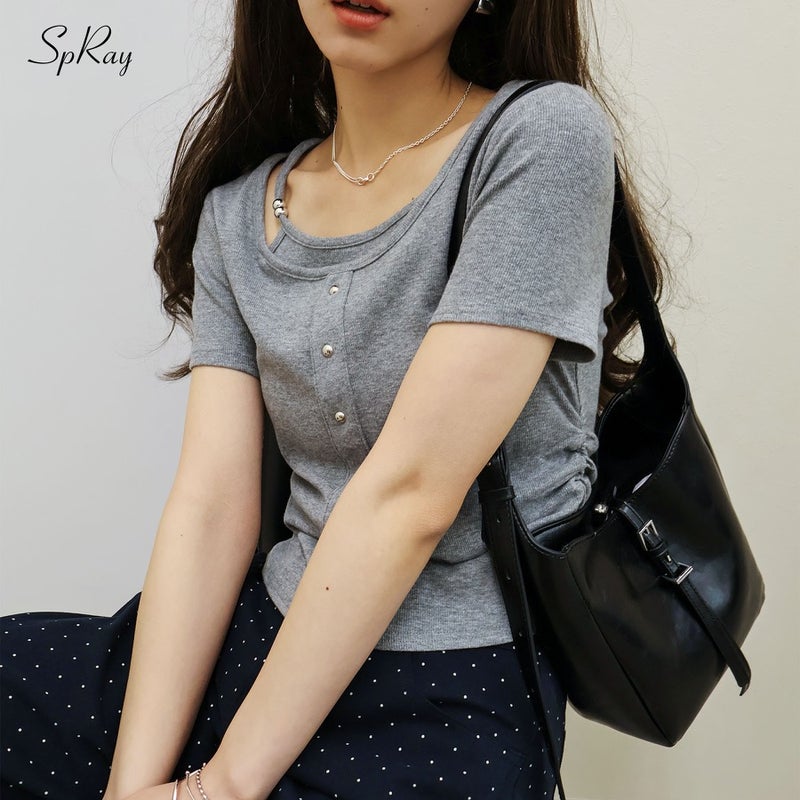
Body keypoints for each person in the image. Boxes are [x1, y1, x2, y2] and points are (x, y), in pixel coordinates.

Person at [1, 1, 671, 798]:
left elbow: (411, 494)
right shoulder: (237, 211)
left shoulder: (541, 137)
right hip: (260, 640)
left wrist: (216, 789)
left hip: (445, 696)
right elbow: (211, 507)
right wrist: (132, 787)